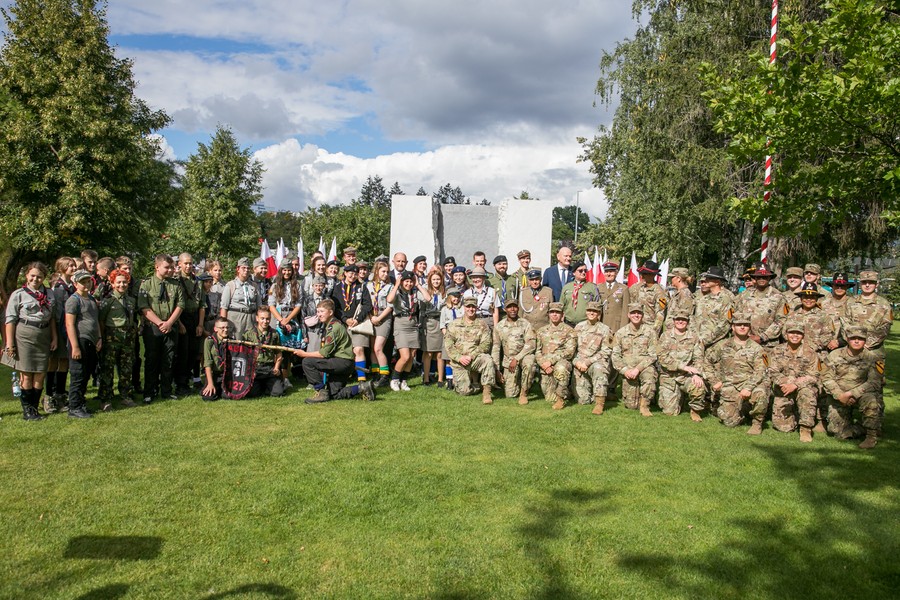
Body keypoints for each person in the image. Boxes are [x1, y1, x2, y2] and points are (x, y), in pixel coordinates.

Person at [2, 262, 58, 420]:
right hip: (24, 335)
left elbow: (52, 317)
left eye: (39, 276)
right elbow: (10, 320)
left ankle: (34, 408)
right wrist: (10, 343)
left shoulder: (49, 294)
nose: (35, 279)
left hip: (44, 335)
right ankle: (27, 410)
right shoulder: (18, 294)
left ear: (44, 278)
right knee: (27, 375)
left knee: (40, 374)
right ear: (26, 276)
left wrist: (54, 337)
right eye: (32, 275)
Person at [293, 299, 376, 403]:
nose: (319, 314)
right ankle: (362, 388)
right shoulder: (330, 325)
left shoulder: (334, 328)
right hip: (344, 363)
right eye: (318, 311)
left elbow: (323, 354)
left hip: (342, 363)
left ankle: (320, 391)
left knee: (307, 362)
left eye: (322, 311)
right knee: (334, 394)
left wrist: (303, 354)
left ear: (331, 312)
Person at [703, 312, 770, 434]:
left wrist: (749, 387)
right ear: (733, 327)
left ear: (749, 327)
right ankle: (743, 409)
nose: (742, 327)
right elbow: (707, 361)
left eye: (745, 325)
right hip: (730, 386)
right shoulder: (722, 345)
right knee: (730, 423)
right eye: (739, 325)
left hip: (750, 385)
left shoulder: (757, 348)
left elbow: (761, 371)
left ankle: (757, 422)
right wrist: (714, 381)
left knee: (760, 394)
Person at [822, 325, 883, 449]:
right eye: (853, 338)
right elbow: (826, 378)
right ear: (847, 339)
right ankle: (862, 428)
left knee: (871, 402)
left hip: (863, 395)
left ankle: (871, 436)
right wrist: (839, 395)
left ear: (865, 340)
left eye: (860, 339)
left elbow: (874, 382)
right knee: (838, 432)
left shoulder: (874, 358)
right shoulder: (834, 355)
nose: (856, 341)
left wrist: (851, 394)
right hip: (840, 395)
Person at [137, 254, 185, 403]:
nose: (170, 270)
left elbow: (180, 305)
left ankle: (166, 391)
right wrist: (160, 323)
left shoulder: (176, 285)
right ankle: (149, 392)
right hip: (153, 327)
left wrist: (169, 323)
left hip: (171, 327)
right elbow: (144, 307)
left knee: (169, 360)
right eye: (167, 267)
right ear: (157, 267)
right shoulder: (146, 284)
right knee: (152, 360)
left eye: (172, 267)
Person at [767, 322, 820, 441]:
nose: (795, 335)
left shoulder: (810, 352)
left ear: (803, 335)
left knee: (807, 393)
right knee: (783, 427)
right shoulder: (776, 350)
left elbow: (814, 375)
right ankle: (795, 415)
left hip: (802, 389)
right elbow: (771, 371)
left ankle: (805, 429)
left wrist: (795, 384)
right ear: (786, 334)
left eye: (798, 333)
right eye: (792, 332)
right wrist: (786, 383)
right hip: (783, 389)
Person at [97, 269, 138, 410]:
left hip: (128, 336)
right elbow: (101, 320)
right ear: (112, 284)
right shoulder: (108, 301)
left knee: (126, 367)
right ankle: (105, 398)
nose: (122, 285)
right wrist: (102, 338)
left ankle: (126, 395)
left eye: (124, 282)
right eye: (118, 282)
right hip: (111, 336)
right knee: (107, 368)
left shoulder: (131, 300)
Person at [444, 296, 495, 404]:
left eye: (473, 307)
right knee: (464, 392)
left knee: (487, 360)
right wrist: (459, 358)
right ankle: (474, 385)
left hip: (475, 358)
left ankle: (487, 393)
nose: (470, 309)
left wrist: (471, 355)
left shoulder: (482, 324)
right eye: (468, 307)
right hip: (460, 361)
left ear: (476, 308)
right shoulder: (454, 324)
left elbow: (485, 344)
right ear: (464, 307)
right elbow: (448, 345)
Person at [657, 309, 706, 421]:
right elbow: (662, 357)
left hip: (686, 376)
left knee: (698, 386)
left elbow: (699, 358)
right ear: (674, 321)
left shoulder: (694, 338)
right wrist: (683, 366)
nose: (680, 321)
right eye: (678, 319)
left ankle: (694, 411)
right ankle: (678, 397)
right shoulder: (665, 336)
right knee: (669, 412)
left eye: (683, 320)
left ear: (687, 322)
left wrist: (697, 375)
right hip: (668, 376)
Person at [611, 302, 658, 417]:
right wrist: (625, 370)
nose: (636, 315)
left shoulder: (650, 332)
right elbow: (615, 356)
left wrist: (638, 369)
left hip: (644, 367)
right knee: (631, 406)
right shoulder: (621, 333)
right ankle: (637, 398)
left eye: (639, 313)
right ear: (628, 315)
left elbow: (653, 355)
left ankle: (645, 406)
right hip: (628, 369)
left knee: (650, 375)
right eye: (633, 313)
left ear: (642, 315)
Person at [65, 269, 101, 418]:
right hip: (80, 340)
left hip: (92, 341)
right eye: (82, 282)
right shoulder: (74, 300)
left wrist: (99, 338)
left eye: (88, 281)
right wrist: (75, 346)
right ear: (75, 284)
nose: (86, 284)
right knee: (78, 375)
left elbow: (95, 320)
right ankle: (74, 407)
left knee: (86, 374)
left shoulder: (91, 299)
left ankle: (81, 403)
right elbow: (69, 324)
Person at [387, 271, 431, 391]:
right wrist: (396, 285)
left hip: (413, 324)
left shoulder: (415, 292)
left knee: (411, 356)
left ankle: (404, 381)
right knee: (405, 356)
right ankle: (395, 379)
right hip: (401, 323)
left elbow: (428, 298)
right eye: (406, 281)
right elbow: (390, 300)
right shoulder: (397, 292)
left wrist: (418, 285)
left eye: (411, 281)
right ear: (402, 282)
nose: (409, 283)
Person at [331, 264, 373, 384]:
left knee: (359, 349)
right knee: (344, 351)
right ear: (345, 273)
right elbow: (335, 306)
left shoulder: (361, 287)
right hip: (342, 323)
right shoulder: (337, 288)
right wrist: (345, 319)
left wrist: (358, 319)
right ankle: (345, 376)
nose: (353, 275)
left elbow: (367, 305)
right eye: (350, 273)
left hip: (358, 324)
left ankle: (361, 378)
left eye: (355, 274)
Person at [45, 256, 76, 412]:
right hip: (59, 328)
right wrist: (56, 334)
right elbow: (57, 311)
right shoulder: (59, 287)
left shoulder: (71, 286)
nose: (73, 268)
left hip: (68, 329)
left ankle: (60, 394)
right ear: (62, 267)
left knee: (64, 361)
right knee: (54, 362)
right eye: (70, 265)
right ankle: (49, 395)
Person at [492, 297, 537, 404]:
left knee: (530, 363)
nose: (512, 309)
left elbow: (531, 344)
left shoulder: (525, 324)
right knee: (510, 394)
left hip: (524, 356)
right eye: (509, 307)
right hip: (509, 360)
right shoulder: (499, 326)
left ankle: (524, 392)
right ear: (505, 309)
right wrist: (497, 370)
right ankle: (518, 383)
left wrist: (517, 358)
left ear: (518, 308)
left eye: (515, 307)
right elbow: (496, 348)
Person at [572, 301, 613, 413]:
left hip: (596, 362)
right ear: (586, 312)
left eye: (594, 311)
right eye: (589, 310)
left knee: (599, 369)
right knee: (583, 400)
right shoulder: (579, 327)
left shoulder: (605, 329)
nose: (591, 313)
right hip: (579, 363)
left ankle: (600, 403)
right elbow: (572, 349)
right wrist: (577, 362)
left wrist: (588, 362)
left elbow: (606, 351)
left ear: (599, 313)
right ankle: (591, 391)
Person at [535, 302, 577, 410]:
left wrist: (552, 361)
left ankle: (560, 399)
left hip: (562, 362)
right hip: (546, 366)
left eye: (557, 313)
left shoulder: (569, 331)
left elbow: (569, 352)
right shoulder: (541, 331)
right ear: (548, 314)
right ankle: (568, 391)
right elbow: (537, 351)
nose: (554, 315)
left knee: (561, 368)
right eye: (552, 312)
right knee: (549, 398)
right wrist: (544, 364)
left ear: (562, 315)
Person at [268, 259, 303, 387]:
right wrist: (281, 320)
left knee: (289, 350)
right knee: (279, 349)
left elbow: (298, 305)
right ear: (280, 271)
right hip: (278, 317)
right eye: (284, 270)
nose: (287, 272)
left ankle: (286, 377)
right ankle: (277, 376)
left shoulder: (296, 285)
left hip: (291, 317)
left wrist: (288, 320)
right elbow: (271, 305)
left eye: (289, 270)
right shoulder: (275, 286)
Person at [174, 253, 205, 395]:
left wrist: (200, 324)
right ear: (179, 264)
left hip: (194, 318)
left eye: (190, 263)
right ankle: (181, 383)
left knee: (193, 351)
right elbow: (174, 304)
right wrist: (179, 323)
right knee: (182, 352)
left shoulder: (198, 281)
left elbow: (202, 305)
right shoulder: (175, 281)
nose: (188, 266)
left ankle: (189, 379)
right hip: (181, 317)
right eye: (185, 263)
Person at [735, 265, 788, 347]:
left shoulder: (778, 297)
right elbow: (737, 314)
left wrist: (762, 337)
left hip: (767, 344)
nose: (761, 279)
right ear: (755, 278)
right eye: (759, 277)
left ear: (769, 278)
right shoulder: (745, 295)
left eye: (765, 277)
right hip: (745, 341)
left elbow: (781, 320)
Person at [243, 308, 284, 398]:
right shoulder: (249, 334)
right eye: (262, 318)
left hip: (269, 367)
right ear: (257, 318)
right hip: (255, 368)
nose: (265, 321)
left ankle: (269, 385)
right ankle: (261, 386)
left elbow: (278, 353)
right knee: (252, 394)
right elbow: (244, 354)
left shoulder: (274, 334)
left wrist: (276, 368)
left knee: (278, 392)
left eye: (267, 318)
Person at [692, 266, 735, 349]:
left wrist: (705, 341)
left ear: (717, 281)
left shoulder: (726, 299)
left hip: (716, 344)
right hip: (698, 343)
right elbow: (695, 319)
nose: (706, 279)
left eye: (710, 278)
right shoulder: (704, 299)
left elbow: (725, 324)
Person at [366, 261, 394, 387]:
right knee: (372, 349)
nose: (385, 274)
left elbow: (390, 306)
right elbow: (366, 303)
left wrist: (379, 318)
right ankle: (375, 372)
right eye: (383, 271)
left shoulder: (390, 287)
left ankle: (384, 375)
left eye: (387, 272)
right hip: (371, 317)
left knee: (378, 348)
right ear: (376, 271)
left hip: (384, 317)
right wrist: (372, 317)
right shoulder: (368, 286)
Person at [220, 257, 259, 340]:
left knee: (251, 343)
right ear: (238, 269)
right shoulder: (230, 285)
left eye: (248, 268)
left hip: (251, 319)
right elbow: (224, 307)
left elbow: (259, 307)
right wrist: (223, 326)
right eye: (243, 268)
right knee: (236, 344)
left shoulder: (254, 286)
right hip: (235, 319)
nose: (246, 270)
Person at [421, 268, 446, 386]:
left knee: (440, 353)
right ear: (430, 281)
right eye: (434, 279)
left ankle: (440, 379)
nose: (436, 281)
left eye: (438, 279)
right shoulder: (425, 291)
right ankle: (426, 378)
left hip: (440, 322)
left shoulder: (444, 293)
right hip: (429, 322)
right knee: (428, 352)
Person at [560, 260, 600, 326]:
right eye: (580, 271)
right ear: (574, 273)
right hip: (568, 324)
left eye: (585, 270)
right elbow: (561, 305)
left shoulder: (592, 287)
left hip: (586, 324)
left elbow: (598, 306)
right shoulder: (567, 287)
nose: (583, 272)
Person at [632, 260, 667, 335]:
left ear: (652, 275)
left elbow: (660, 314)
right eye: (642, 273)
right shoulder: (640, 288)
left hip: (651, 328)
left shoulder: (660, 292)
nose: (642, 276)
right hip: (638, 327)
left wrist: (654, 333)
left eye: (645, 274)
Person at [821, 272, 854, 346]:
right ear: (832, 286)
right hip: (825, 344)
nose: (839, 288)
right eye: (837, 285)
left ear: (847, 286)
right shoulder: (824, 304)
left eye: (842, 285)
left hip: (847, 346)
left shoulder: (853, 304)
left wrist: (838, 342)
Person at [439, 287, 464, 389]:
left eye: (458, 297)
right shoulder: (445, 309)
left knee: (457, 359)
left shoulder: (462, 309)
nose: (456, 299)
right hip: (448, 336)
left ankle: (457, 379)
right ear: (449, 297)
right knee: (448, 360)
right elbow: (442, 325)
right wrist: (447, 336)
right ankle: (449, 380)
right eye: (454, 297)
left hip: (460, 337)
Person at [201, 317, 229, 401]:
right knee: (208, 397)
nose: (226, 330)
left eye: (227, 327)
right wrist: (210, 383)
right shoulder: (209, 341)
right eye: (222, 328)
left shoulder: (231, 341)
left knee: (227, 396)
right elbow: (207, 364)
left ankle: (222, 389)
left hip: (226, 375)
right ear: (215, 329)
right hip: (214, 375)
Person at [598, 261, 630, 333]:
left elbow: (625, 311)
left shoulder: (624, 289)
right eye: (606, 271)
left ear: (616, 272)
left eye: (611, 271)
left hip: (616, 326)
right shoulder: (598, 288)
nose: (609, 274)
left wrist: (623, 329)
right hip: (601, 324)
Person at [301, 275, 328, 353]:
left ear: (324, 286)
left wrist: (325, 332)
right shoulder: (307, 300)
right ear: (312, 286)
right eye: (316, 286)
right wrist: (305, 335)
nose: (318, 288)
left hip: (322, 331)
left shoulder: (327, 300)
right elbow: (303, 317)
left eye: (320, 286)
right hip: (310, 331)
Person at [205, 259, 226, 333]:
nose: (218, 272)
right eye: (215, 270)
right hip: (207, 319)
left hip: (218, 319)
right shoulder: (206, 284)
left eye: (220, 270)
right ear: (210, 271)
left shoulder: (225, 286)